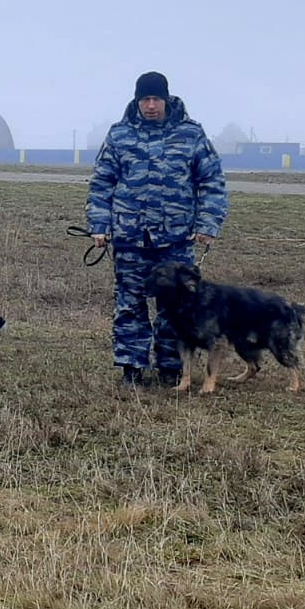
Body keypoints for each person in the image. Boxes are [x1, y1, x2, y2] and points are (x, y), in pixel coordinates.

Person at [87, 70, 228, 387]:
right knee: (129, 304)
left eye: (156, 99)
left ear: (166, 99)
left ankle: (172, 368)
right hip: (130, 238)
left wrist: (208, 223)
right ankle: (132, 367)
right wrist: (99, 225)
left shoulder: (191, 134)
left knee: (175, 308)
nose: (150, 106)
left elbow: (212, 182)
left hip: (175, 240)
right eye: (144, 99)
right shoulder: (120, 135)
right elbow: (101, 184)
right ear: (137, 101)